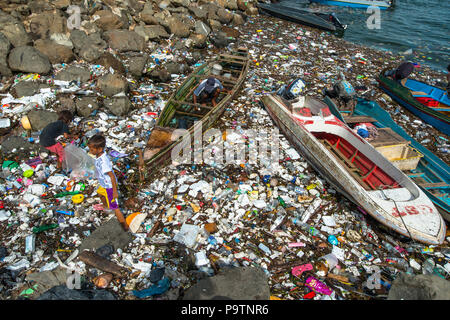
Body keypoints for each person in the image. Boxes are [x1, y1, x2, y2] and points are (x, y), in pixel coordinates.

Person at [87, 134, 128, 231]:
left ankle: (125, 227)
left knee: (116, 208)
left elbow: (112, 176)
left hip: (109, 186)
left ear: (100, 149)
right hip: (103, 184)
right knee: (100, 193)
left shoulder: (104, 161)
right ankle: (107, 207)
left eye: (92, 150)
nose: (90, 151)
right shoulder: (98, 156)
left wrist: (114, 191)